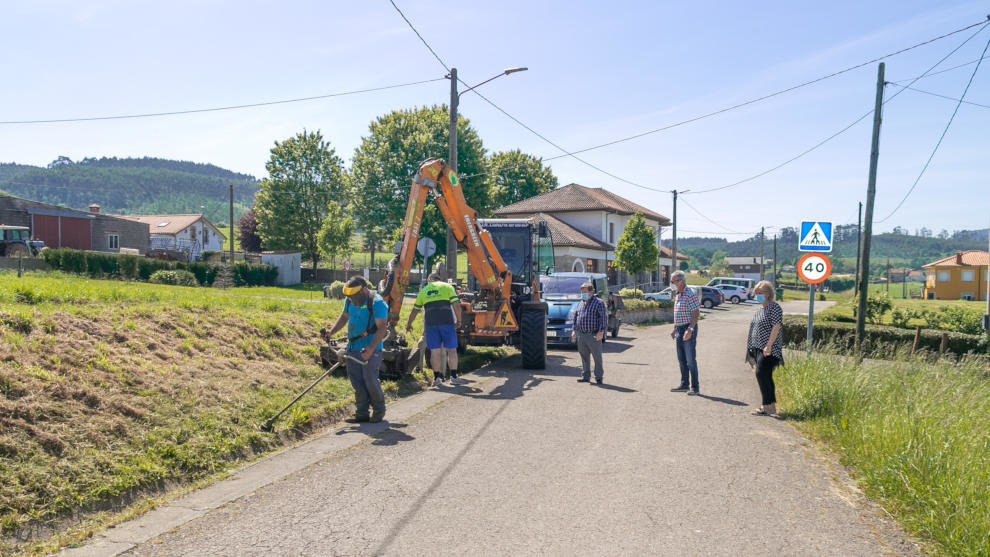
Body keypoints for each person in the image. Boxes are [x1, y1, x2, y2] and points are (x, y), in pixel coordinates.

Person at [323, 276, 389, 423]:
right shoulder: (350, 300)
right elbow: (344, 317)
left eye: (355, 296)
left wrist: (371, 349)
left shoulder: (377, 302)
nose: (352, 299)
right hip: (353, 347)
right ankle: (362, 413)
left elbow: (382, 328)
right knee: (357, 381)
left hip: (370, 348)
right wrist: (330, 332)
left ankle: (379, 410)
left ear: (364, 289)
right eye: (350, 296)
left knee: (370, 380)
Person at [405, 273, 463, 385]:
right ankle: (454, 377)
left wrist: (409, 324)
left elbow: (415, 310)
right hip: (447, 323)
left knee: (434, 351)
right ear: (439, 279)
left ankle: (436, 379)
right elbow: (456, 306)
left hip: (431, 325)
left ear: (429, 280)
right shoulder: (447, 287)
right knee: (451, 350)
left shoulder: (424, 290)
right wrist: (459, 321)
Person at [747, 280, 784, 416]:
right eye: (756, 293)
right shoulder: (760, 310)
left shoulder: (774, 307)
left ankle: (766, 407)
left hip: (769, 349)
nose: (757, 295)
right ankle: (769, 407)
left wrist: (768, 345)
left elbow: (776, 326)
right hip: (758, 348)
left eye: (760, 293)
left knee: (761, 374)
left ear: (768, 294)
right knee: (765, 375)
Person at [669, 270, 701, 395]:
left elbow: (695, 313)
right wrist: (674, 328)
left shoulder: (690, 294)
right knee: (681, 359)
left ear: (680, 281)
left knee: (690, 360)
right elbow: (679, 314)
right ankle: (684, 384)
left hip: (688, 328)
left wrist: (690, 329)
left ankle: (695, 387)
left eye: (673, 281)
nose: (671, 283)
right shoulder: (678, 294)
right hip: (679, 329)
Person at [570, 282, 608, 384]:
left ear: (591, 292)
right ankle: (586, 376)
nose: (582, 293)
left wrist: (601, 331)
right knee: (584, 356)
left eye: (585, 291)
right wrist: (574, 331)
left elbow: (603, 318)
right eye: (581, 291)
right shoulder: (580, 303)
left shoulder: (599, 303)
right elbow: (576, 318)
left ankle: (599, 377)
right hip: (581, 335)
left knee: (597, 357)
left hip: (594, 335)